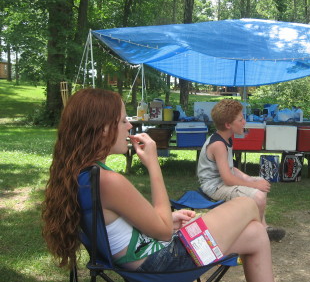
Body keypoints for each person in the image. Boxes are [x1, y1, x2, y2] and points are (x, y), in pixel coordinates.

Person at [42, 88, 274, 282]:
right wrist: (153, 164)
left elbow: (123, 226)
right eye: (123, 120)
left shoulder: (82, 174)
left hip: (151, 257)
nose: (129, 127)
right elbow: (162, 232)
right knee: (247, 202)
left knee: (256, 234)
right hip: (163, 264)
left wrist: (166, 220)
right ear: (103, 128)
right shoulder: (108, 181)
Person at [197, 99, 285, 241]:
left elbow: (230, 168)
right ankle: (257, 232)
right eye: (241, 119)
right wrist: (253, 185)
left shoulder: (226, 138)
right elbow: (227, 178)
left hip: (222, 182)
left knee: (260, 182)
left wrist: (248, 178)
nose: (244, 122)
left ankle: (263, 227)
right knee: (259, 196)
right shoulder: (218, 144)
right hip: (214, 187)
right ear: (228, 125)